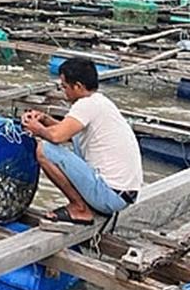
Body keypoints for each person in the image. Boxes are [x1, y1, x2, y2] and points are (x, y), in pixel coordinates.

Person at [20, 58, 143, 224]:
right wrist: (45, 119)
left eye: (65, 87)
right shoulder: (100, 102)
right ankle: (83, 205)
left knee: (44, 150)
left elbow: (57, 136)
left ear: (77, 86)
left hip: (110, 195)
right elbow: (70, 133)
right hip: (122, 195)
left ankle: (79, 208)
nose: (64, 92)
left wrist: (37, 128)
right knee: (58, 144)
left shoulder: (86, 105)